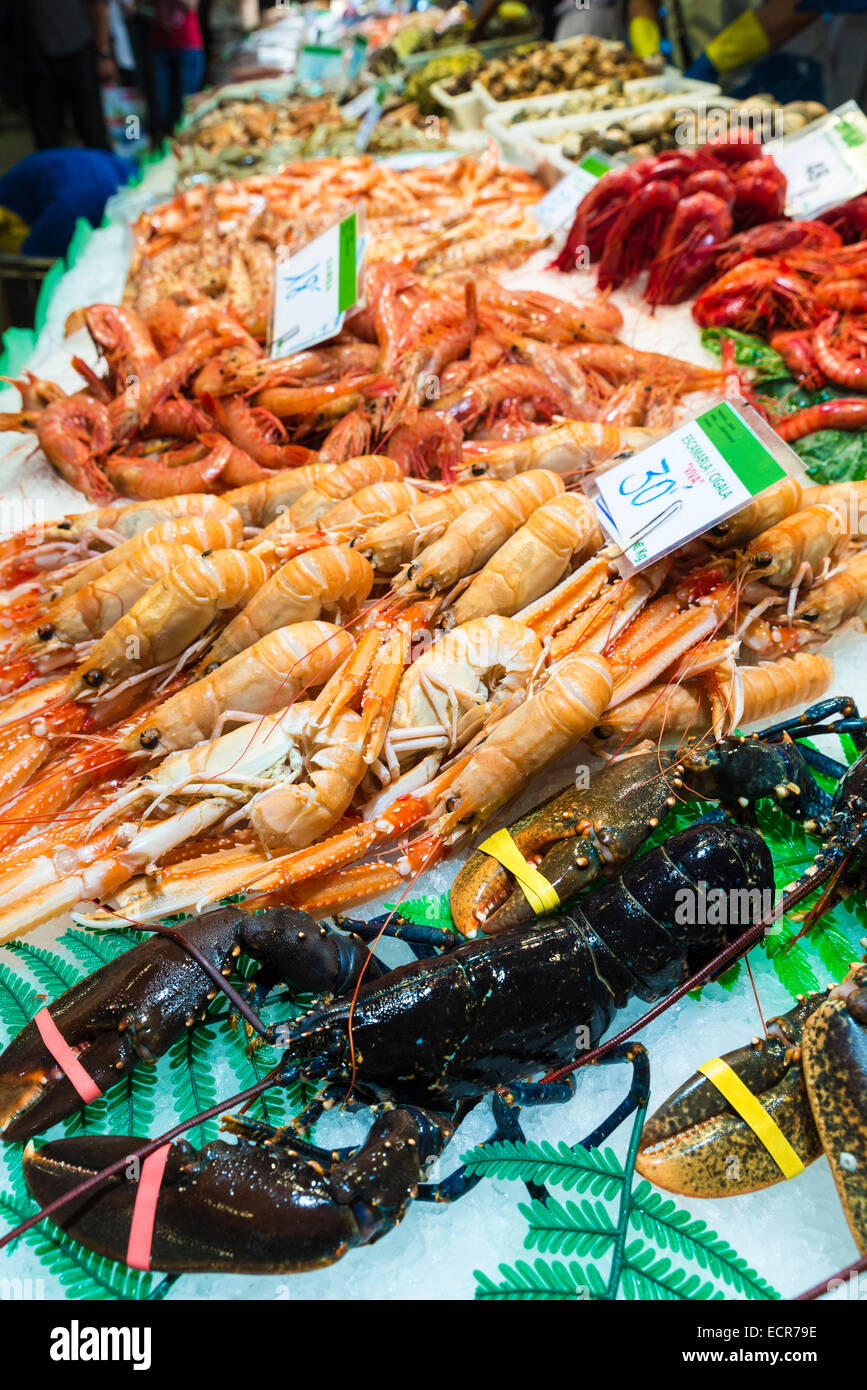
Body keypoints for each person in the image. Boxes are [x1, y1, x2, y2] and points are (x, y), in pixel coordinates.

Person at [7, 0, 117, 152]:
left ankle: (103, 171)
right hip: (38, 62)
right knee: (47, 138)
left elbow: (99, 7)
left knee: (93, 130)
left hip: (80, 53)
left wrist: (104, 53)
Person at [0, 148, 135, 258]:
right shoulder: (77, 207)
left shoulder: (131, 176)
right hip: (12, 209)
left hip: (69, 180)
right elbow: (31, 258)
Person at [151, 0, 206, 139]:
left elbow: (190, 4)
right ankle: (167, 147)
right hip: (160, 46)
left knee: (188, 107)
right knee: (163, 109)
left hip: (188, 45)